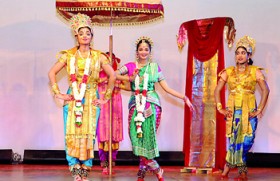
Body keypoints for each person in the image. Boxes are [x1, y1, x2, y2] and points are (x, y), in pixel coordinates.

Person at [48, 13, 116, 181]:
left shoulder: (99, 56)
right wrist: (59, 93)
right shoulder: (69, 55)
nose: (85, 36)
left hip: (92, 96)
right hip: (73, 97)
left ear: (92, 36)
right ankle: (74, 167)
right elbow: (52, 72)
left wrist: (106, 97)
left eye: (88, 33)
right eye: (81, 33)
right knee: (71, 132)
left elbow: (112, 75)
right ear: (76, 36)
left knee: (88, 133)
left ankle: (85, 168)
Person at [116, 36, 194, 181]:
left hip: (151, 105)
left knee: (147, 137)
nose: (143, 52)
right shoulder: (130, 66)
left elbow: (167, 89)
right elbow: (114, 74)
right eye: (141, 49)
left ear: (150, 52)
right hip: (135, 104)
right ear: (137, 52)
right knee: (135, 135)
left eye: (146, 49)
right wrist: (129, 79)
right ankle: (154, 166)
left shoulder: (154, 68)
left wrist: (184, 98)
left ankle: (143, 168)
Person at [214, 35, 269, 180]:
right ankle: (241, 171)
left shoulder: (255, 71)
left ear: (249, 55)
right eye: (237, 53)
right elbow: (216, 90)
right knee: (234, 140)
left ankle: (228, 164)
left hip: (249, 111)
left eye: (243, 53)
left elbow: (266, 90)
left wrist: (260, 109)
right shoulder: (228, 72)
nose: (240, 56)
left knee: (247, 141)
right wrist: (220, 108)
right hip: (233, 112)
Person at [97, 52, 123, 174]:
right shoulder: (98, 74)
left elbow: (127, 85)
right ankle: (103, 161)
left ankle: (112, 159)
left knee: (114, 131)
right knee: (103, 131)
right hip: (103, 106)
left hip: (115, 105)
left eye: (111, 60)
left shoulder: (118, 73)